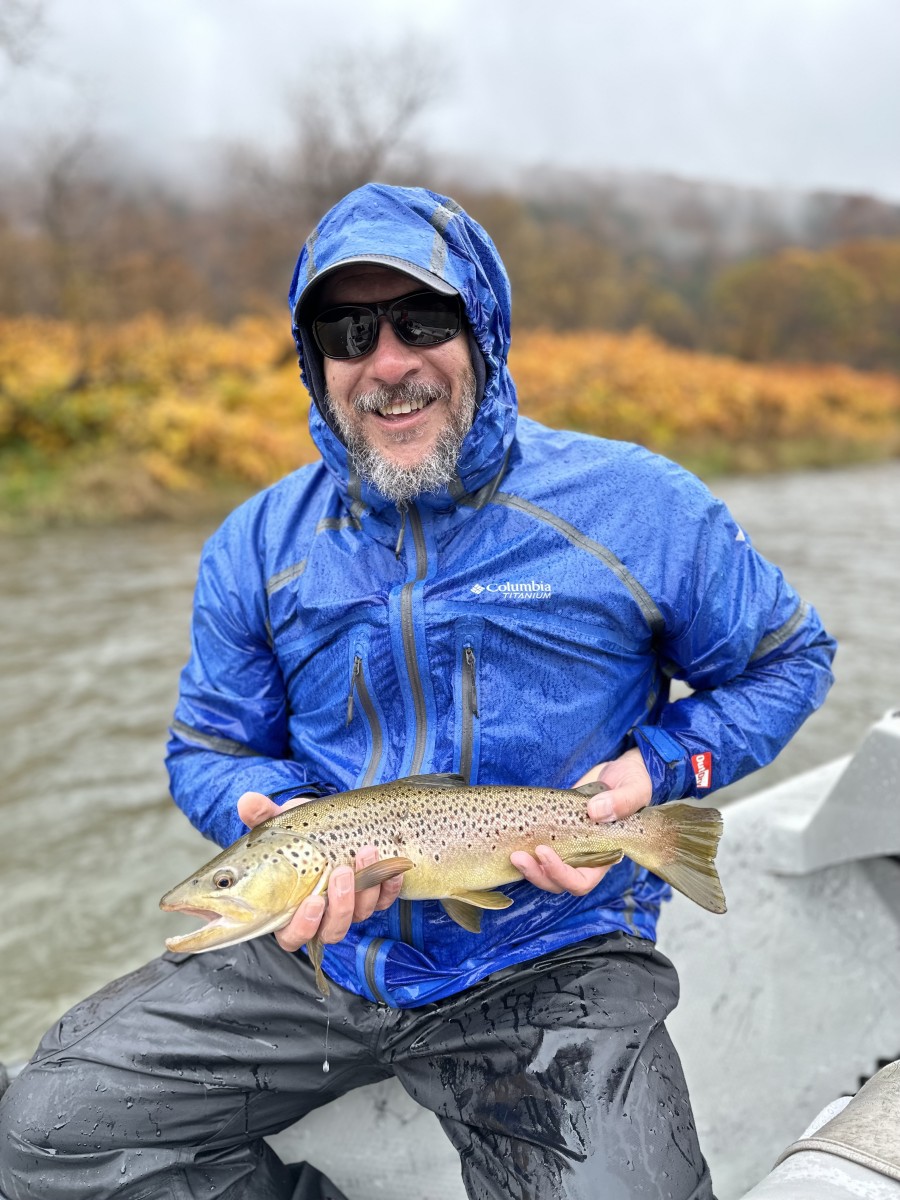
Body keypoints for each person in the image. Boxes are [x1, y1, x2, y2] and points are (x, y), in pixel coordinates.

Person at [0, 184, 836, 1200]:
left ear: (482, 331)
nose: (387, 361)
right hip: (324, 961)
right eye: (348, 332)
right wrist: (267, 812)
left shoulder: (640, 505)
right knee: (46, 1134)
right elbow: (208, 749)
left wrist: (658, 771)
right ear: (317, 366)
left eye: (422, 320)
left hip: (552, 955)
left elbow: (791, 659)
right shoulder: (255, 546)